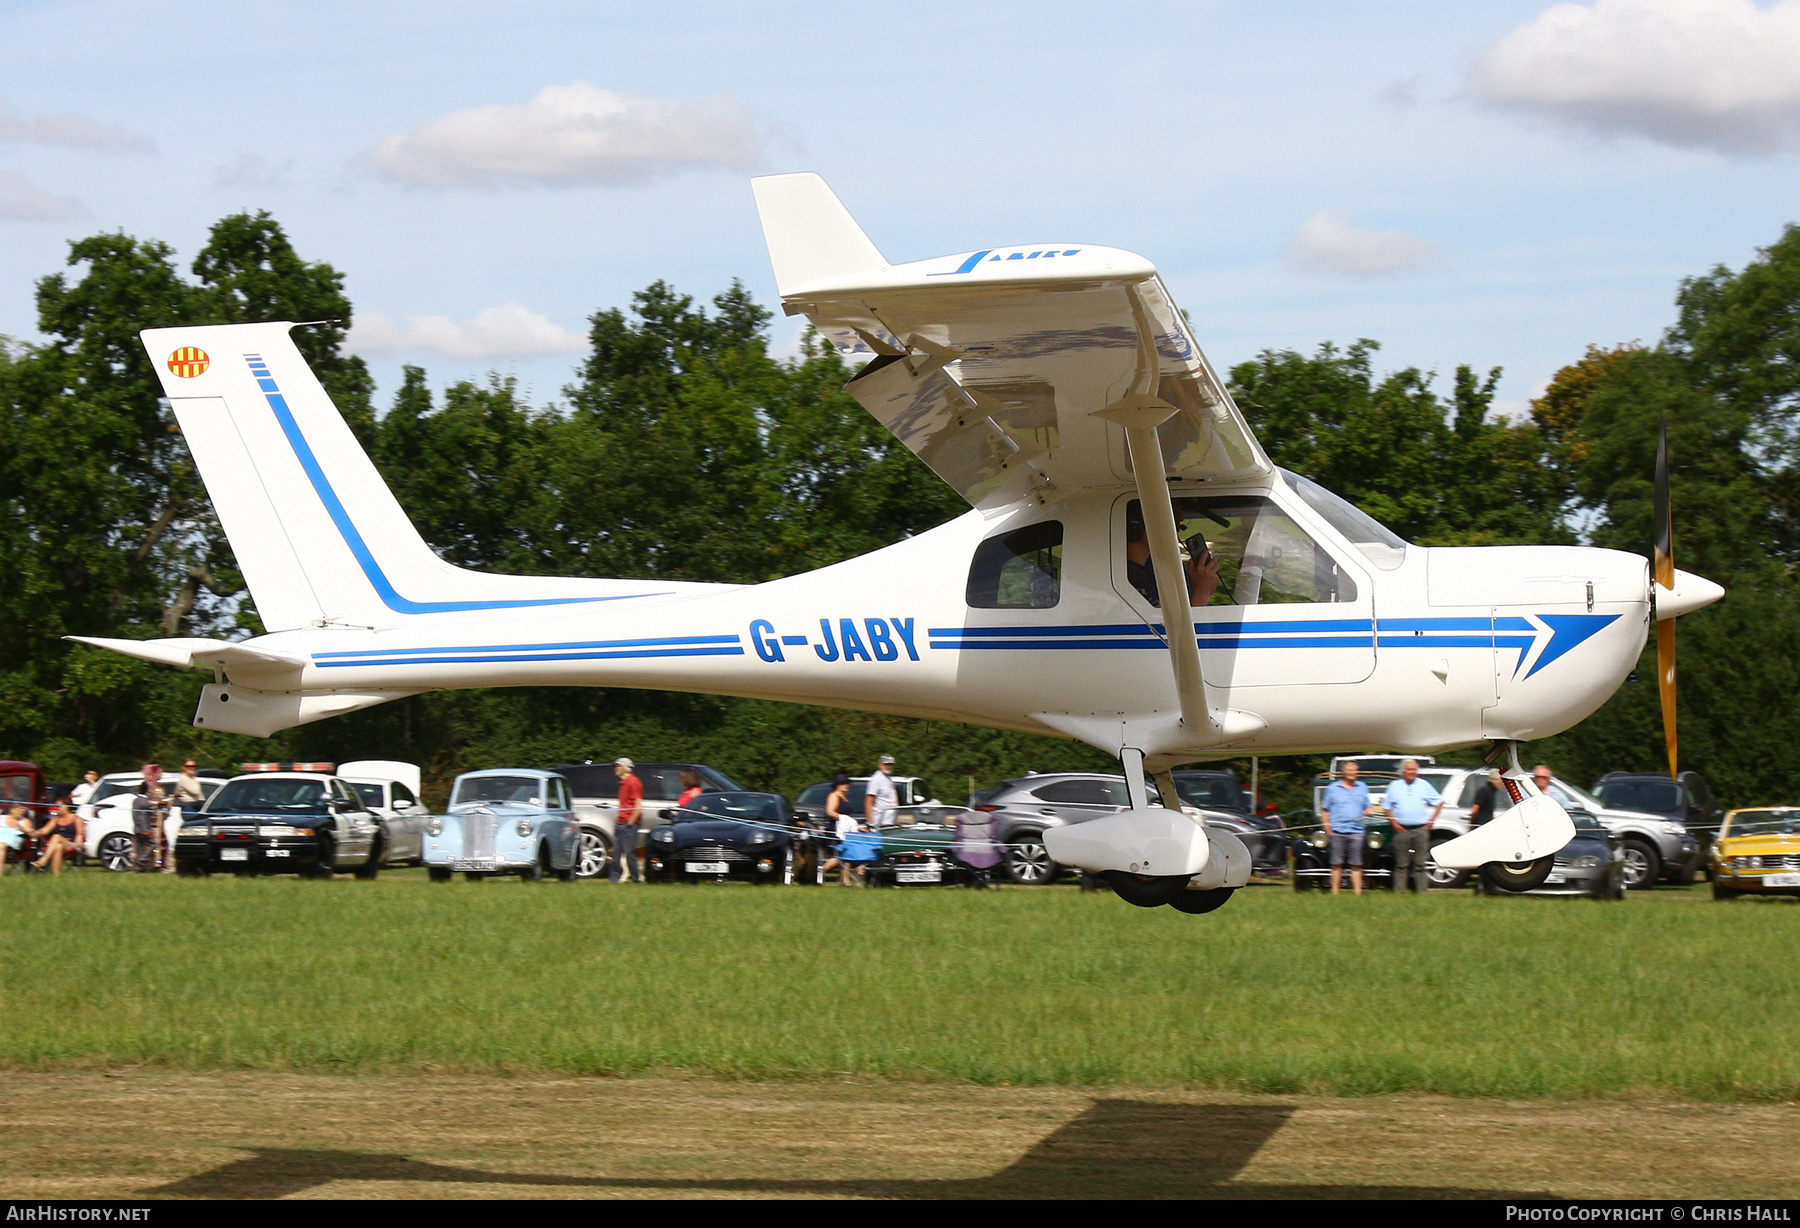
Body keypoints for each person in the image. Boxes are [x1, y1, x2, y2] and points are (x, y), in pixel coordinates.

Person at [1124, 504, 1222, 609]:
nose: (1181, 517)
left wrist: (1203, 587)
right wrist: (1202, 593)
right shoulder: (1125, 580)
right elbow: (1165, 624)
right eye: (1171, 509)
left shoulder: (1161, 570)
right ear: (1135, 526)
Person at [1382, 759, 1443, 895]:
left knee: (1420, 863)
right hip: (1401, 830)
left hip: (1421, 829)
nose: (1412, 772)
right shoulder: (1394, 785)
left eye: (1414, 770)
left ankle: (1422, 891)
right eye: (1409, 769)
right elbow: (1386, 807)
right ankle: (1400, 892)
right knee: (1401, 864)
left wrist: (1431, 822)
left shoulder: (1424, 785)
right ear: (1403, 771)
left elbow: (1439, 802)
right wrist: (1394, 824)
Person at [1319, 760, 1374, 896]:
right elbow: (1325, 810)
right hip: (1337, 831)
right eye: (1349, 770)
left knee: (1356, 864)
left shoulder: (1362, 787)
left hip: (1357, 831)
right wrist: (1328, 829)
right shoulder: (1333, 788)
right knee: (1337, 864)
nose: (1352, 773)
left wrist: (1369, 810)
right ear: (1344, 772)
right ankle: (1335, 893)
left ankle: (1357, 893)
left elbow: (1367, 806)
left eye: (1355, 770)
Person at [608, 757, 644, 883]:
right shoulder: (623, 783)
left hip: (629, 824)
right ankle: (613, 879)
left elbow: (638, 806)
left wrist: (630, 824)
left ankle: (636, 879)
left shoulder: (633, 782)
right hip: (620, 822)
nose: (615, 769)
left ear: (625, 768)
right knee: (616, 853)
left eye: (617, 766)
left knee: (629, 853)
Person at [819, 774, 858, 886]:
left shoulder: (844, 797)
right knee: (839, 856)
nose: (846, 785)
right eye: (842, 783)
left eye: (847, 783)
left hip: (845, 830)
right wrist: (844, 819)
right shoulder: (834, 796)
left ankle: (845, 880)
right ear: (837, 785)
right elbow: (830, 812)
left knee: (847, 854)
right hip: (835, 831)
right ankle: (819, 872)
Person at [168, 760, 206, 873]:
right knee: (193, 835)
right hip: (188, 807)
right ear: (183, 767)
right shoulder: (184, 779)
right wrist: (194, 779)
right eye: (188, 766)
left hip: (196, 806)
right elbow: (196, 791)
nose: (192, 768)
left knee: (199, 836)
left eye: (194, 766)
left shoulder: (190, 778)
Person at [33, 802, 84, 876]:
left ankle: (44, 859)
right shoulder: (56, 819)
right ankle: (57, 875)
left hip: (71, 844)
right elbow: (45, 830)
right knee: (58, 846)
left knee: (56, 836)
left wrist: (80, 838)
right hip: (57, 844)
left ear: (67, 806)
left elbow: (80, 832)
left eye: (60, 806)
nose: (58, 808)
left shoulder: (76, 818)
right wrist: (35, 832)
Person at [132, 777, 165, 873]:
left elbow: (151, 805)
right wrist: (146, 830)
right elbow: (142, 816)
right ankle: (140, 862)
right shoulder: (144, 802)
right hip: (144, 829)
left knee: (141, 847)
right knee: (152, 844)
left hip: (136, 828)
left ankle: (140, 867)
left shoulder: (136, 801)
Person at [866, 754, 899, 828]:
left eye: (891, 764)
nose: (889, 767)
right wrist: (870, 822)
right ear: (880, 764)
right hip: (880, 822)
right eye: (886, 764)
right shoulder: (876, 779)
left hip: (890, 821)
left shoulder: (888, 779)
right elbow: (868, 801)